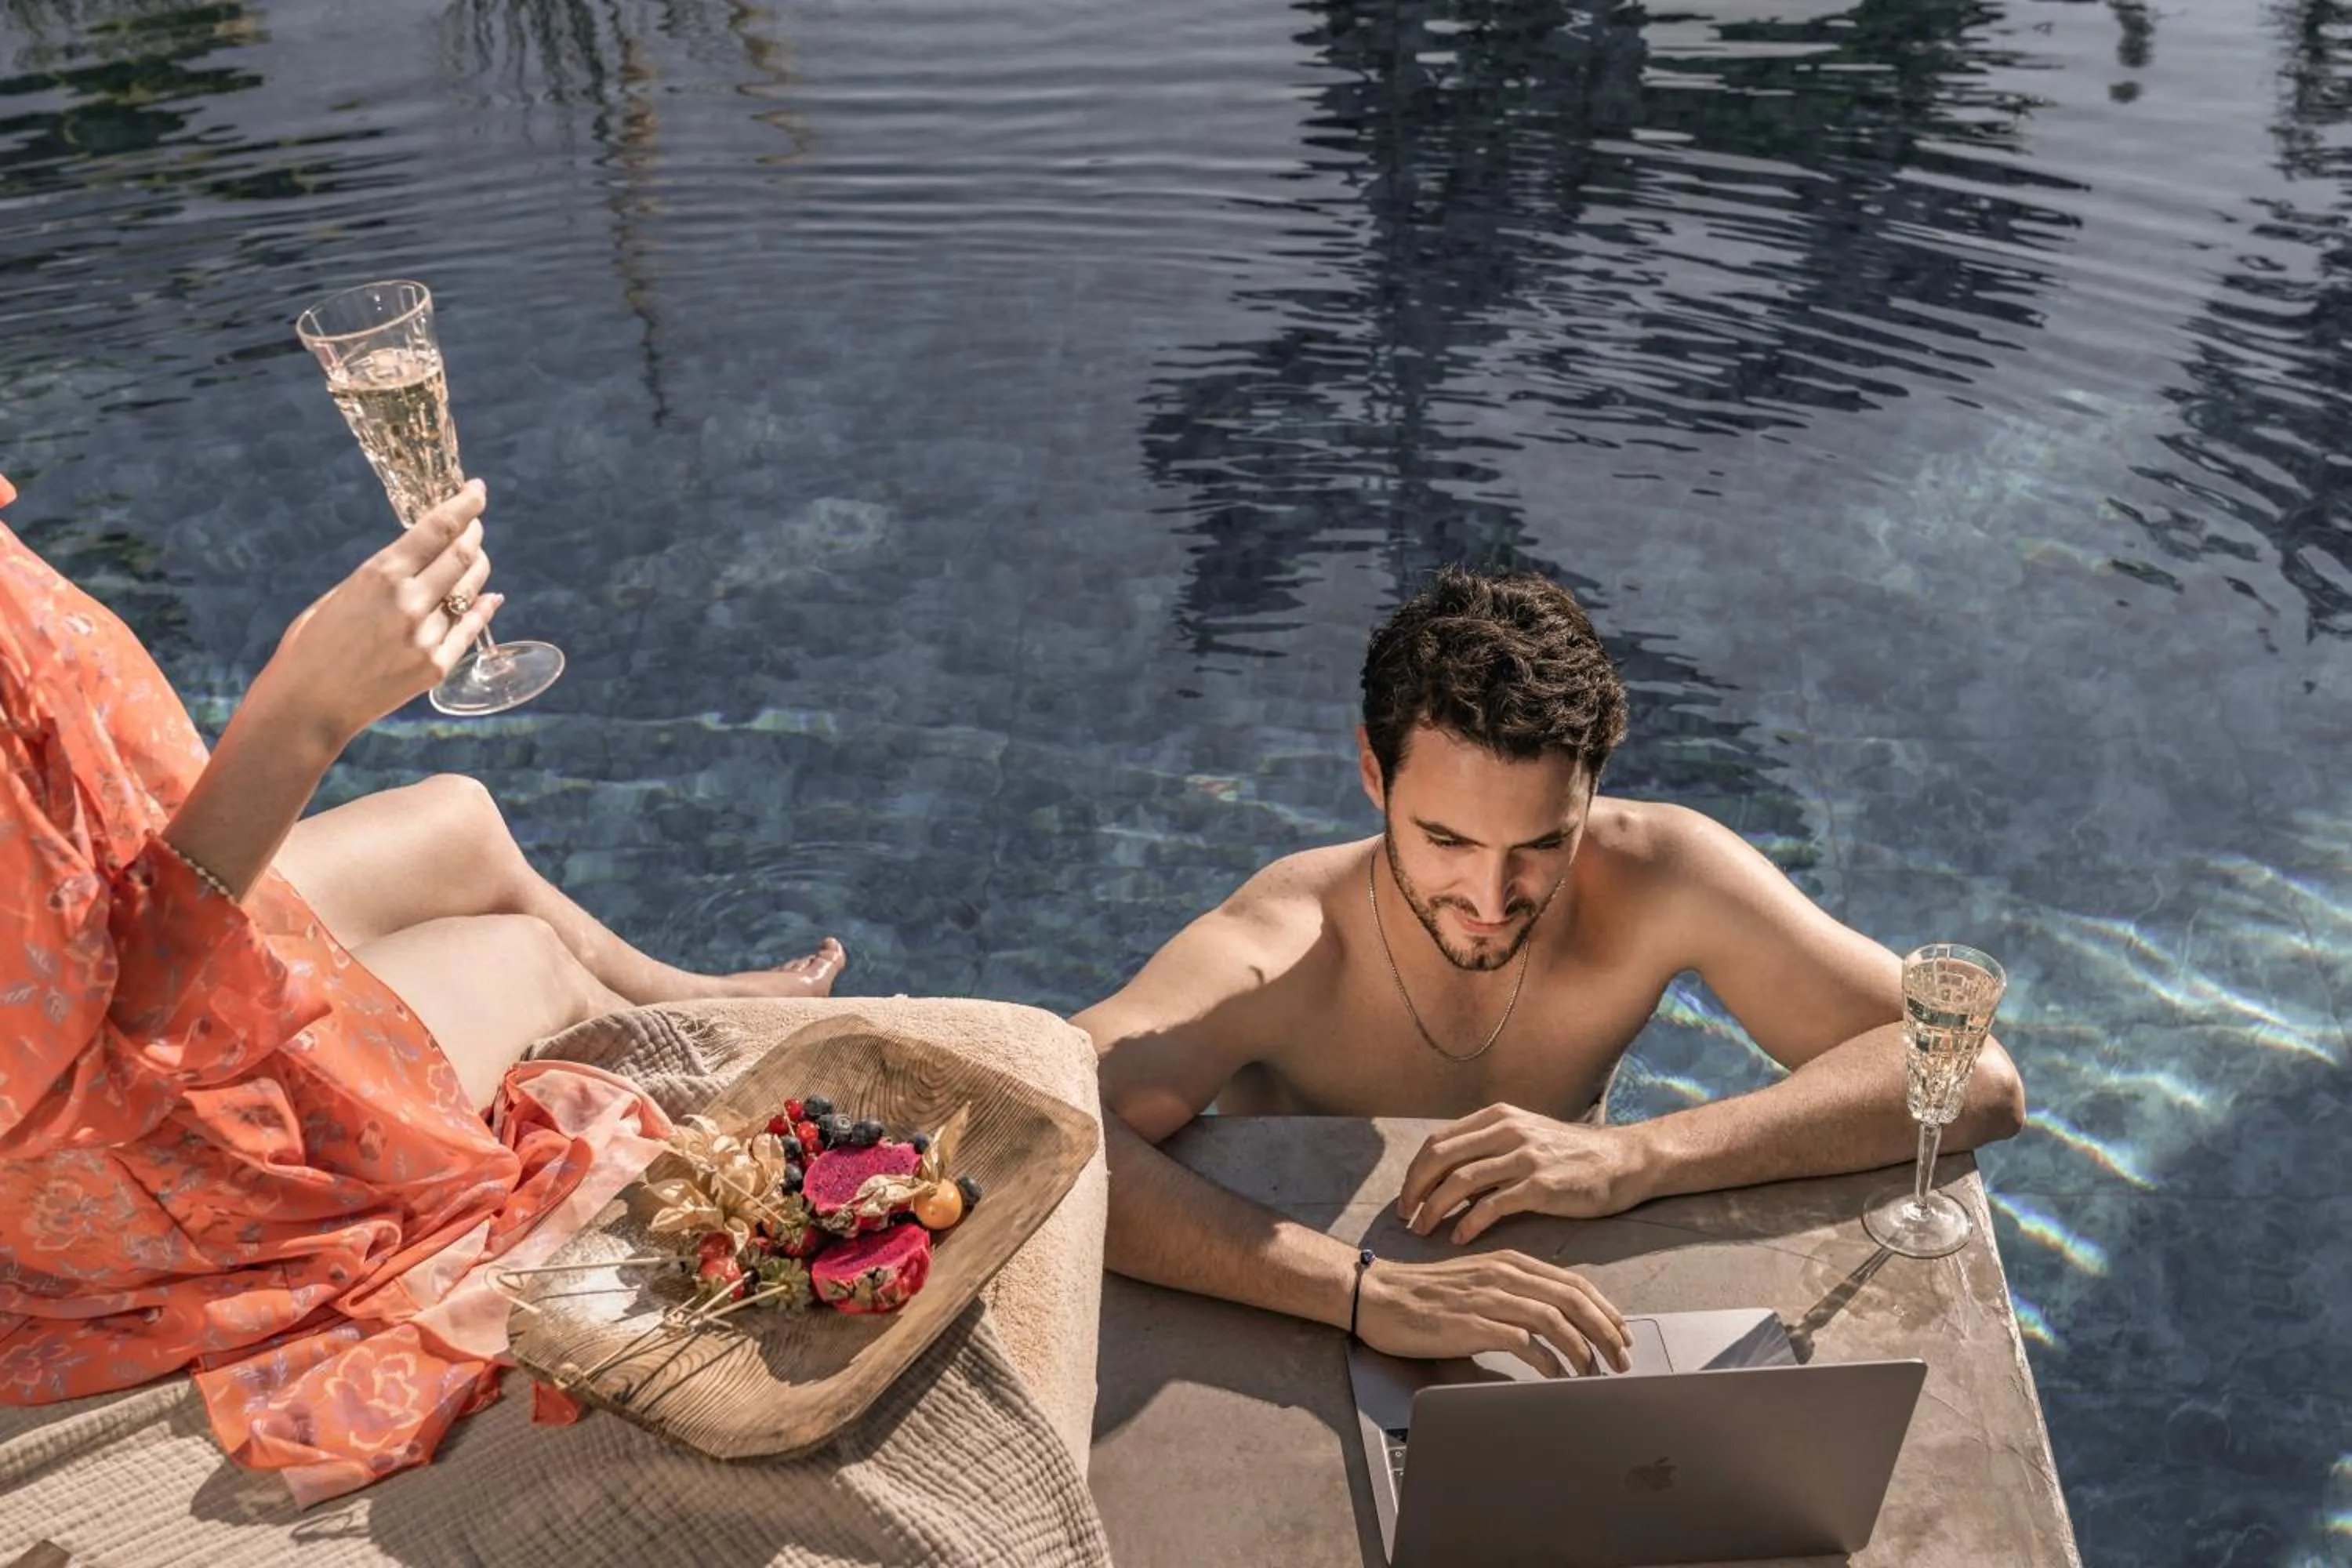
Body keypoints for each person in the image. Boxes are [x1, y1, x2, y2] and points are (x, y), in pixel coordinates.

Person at [0, 470, 844, 1501]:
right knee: (525, 955)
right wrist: (307, 710)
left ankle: (695, 994)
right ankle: (711, 1044)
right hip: (163, 1158)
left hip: (119, 946)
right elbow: (74, 1072)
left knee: (458, 820)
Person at [1080, 565, 2027, 1377]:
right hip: (1304, 1328)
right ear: (1374, 773)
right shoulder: (1284, 945)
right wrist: (1364, 1291)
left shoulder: (1661, 875)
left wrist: (1637, 1155)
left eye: (1541, 843)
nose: (1491, 896)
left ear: (1593, 787)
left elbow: (1977, 1077)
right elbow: (1049, 1126)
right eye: (1447, 840)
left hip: (1575, 1317)